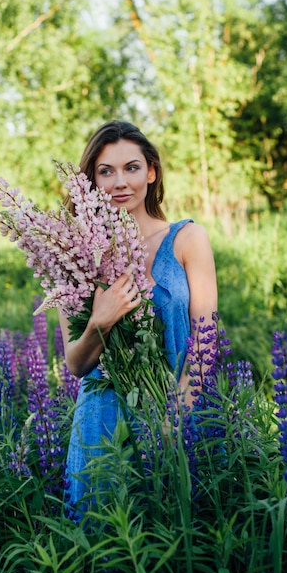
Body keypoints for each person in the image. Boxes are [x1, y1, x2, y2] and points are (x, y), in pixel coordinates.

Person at [58, 120, 218, 514]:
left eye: (131, 167)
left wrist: (173, 419)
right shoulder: (74, 255)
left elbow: (206, 340)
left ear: (151, 171)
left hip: (180, 410)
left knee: (178, 540)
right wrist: (101, 321)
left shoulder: (187, 239)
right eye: (105, 171)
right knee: (107, 548)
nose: (119, 182)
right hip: (102, 423)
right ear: (92, 182)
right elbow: (76, 364)